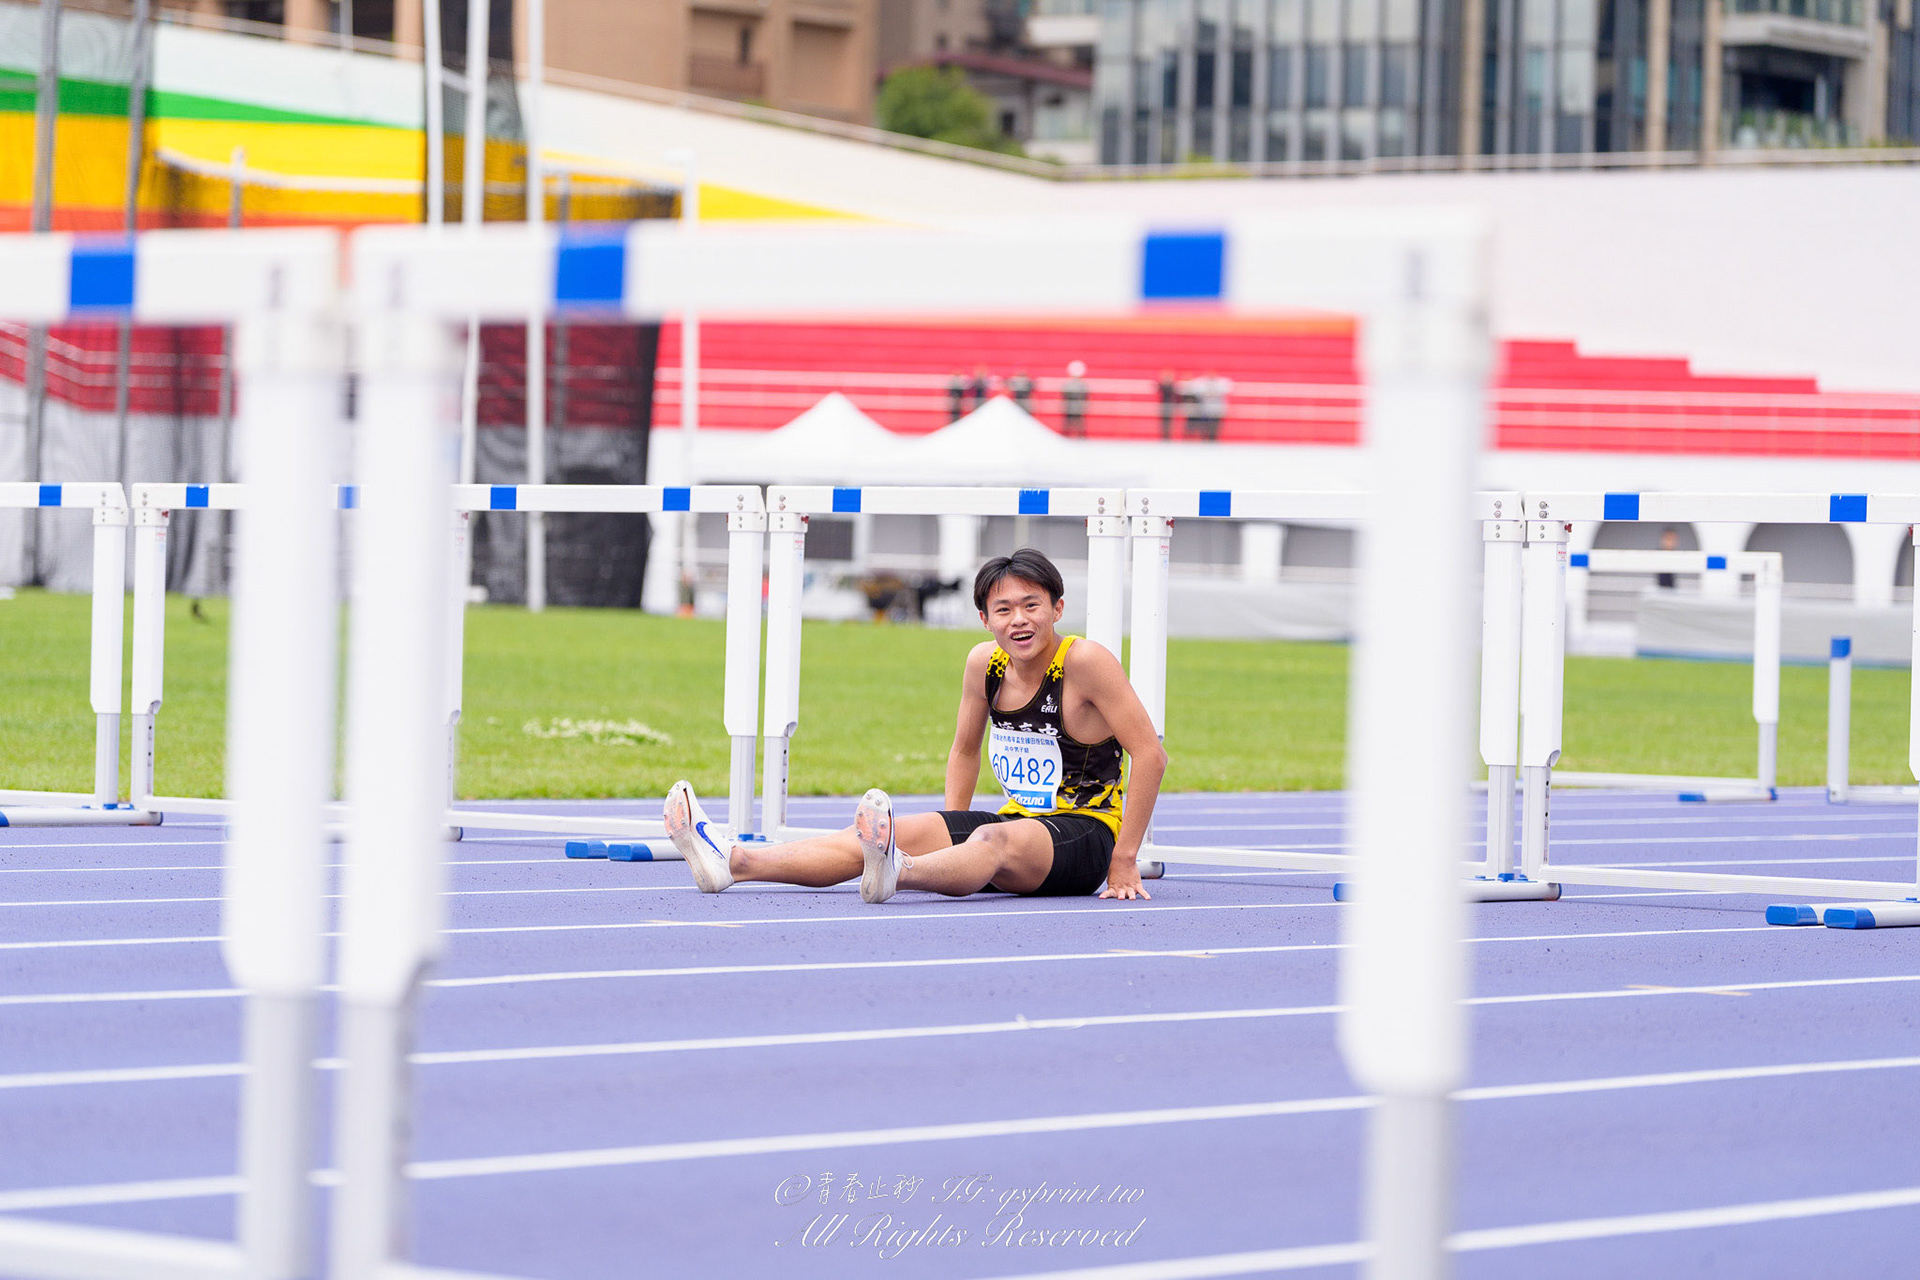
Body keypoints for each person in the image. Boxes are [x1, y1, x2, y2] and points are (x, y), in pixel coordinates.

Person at [664, 548, 1166, 903]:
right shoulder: (984, 664)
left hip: (1086, 833)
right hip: (1018, 820)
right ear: (984, 619)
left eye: (1031, 605)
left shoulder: (1085, 662)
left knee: (988, 843)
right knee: (893, 832)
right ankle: (735, 862)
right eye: (1004, 609)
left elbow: (1150, 755)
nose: (1019, 620)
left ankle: (900, 871)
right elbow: (965, 750)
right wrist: (951, 828)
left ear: (1057, 608)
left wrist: (1124, 857)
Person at [1061, 361, 1089, 437]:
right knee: (1067, 426)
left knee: (1079, 427)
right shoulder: (1069, 384)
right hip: (1070, 407)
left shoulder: (1081, 385)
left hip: (1078, 408)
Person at [1156, 369, 1180, 440]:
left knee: (1169, 422)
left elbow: (1175, 394)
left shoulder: (1172, 386)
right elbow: (1158, 389)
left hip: (1170, 404)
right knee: (1163, 421)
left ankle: (1168, 436)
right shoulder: (1163, 385)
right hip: (1163, 404)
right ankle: (1163, 436)